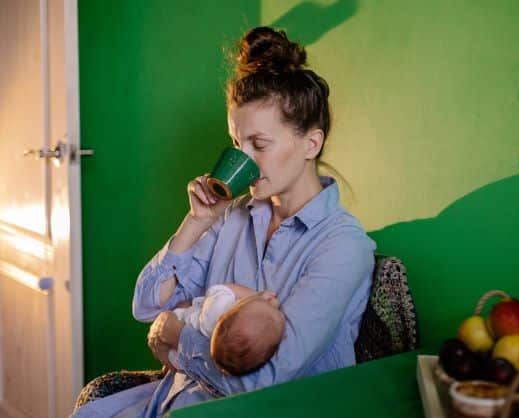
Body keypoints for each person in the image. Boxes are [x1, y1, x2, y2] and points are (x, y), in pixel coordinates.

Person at [72, 26, 376, 418]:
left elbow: (264, 381)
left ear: (310, 144)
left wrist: (178, 335)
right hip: (177, 399)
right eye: (237, 144)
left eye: (259, 145)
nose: (245, 160)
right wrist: (196, 223)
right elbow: (148, 305)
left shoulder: (342, 246)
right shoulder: (233, 215)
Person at [167, 283, 285, 376]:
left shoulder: (218, 306)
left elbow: (222, 288)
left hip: (176, 322)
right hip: (178, 358)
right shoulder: (219, 340)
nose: (275, 304)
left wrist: (257, 296)